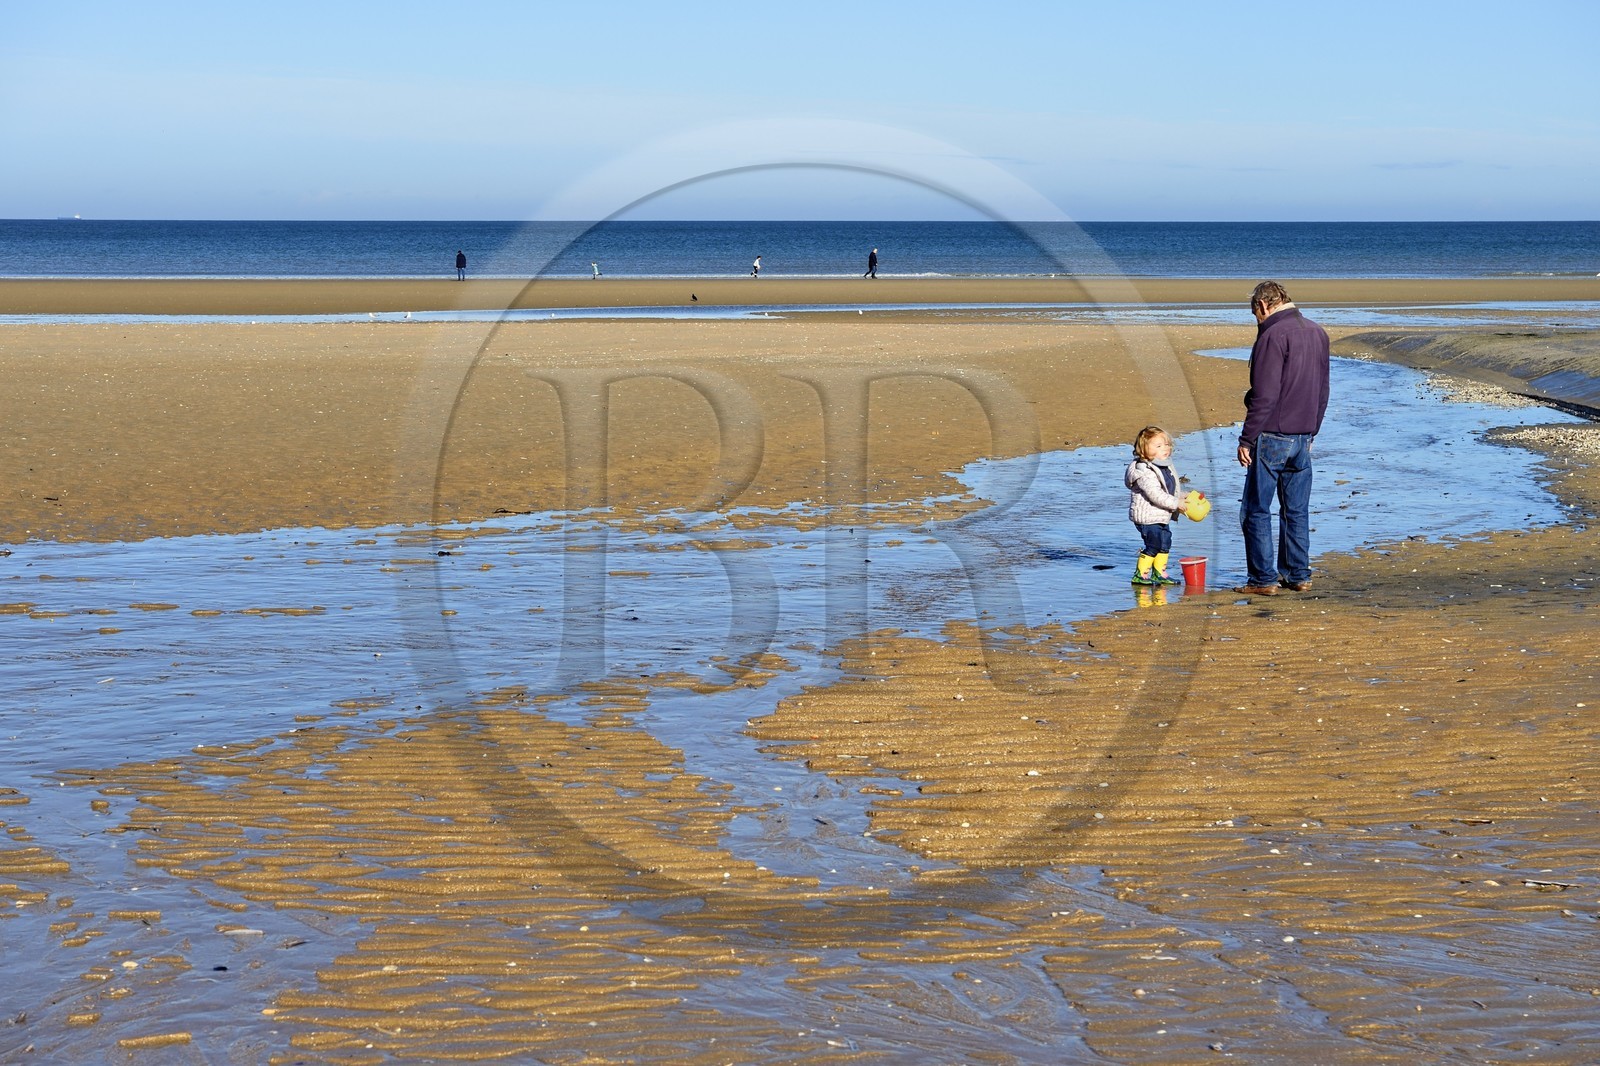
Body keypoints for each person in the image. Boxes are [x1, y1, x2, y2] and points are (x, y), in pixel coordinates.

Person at [1236, 280, 1331, 595]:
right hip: (1303, 435)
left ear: (1263, 306)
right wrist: (1313, 429)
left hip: (1273, 435)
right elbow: (1323, 391)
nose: (1257, 321)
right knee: (1296, 509)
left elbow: (1265, 394)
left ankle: (1263, 579)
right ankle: (1297, 575)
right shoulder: (1317, 331)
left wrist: (1246, 439)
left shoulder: (1274, 334)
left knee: (1255, 509)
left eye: (1256, 315)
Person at [1125, 425, 1186, 586]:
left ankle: (1159, 572)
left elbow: (1167, 489)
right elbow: (1155, 494)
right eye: (1158, 446)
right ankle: (1140, 574)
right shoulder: (1144, 470)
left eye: (1167, 444)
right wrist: (1176, 504)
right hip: (1147, 516)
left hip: (1160, 515)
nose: (1165, 448)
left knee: (1166, 541)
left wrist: (1182, 497)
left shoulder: (1164, 466)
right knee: (1153, 544)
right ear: (1144, 450)